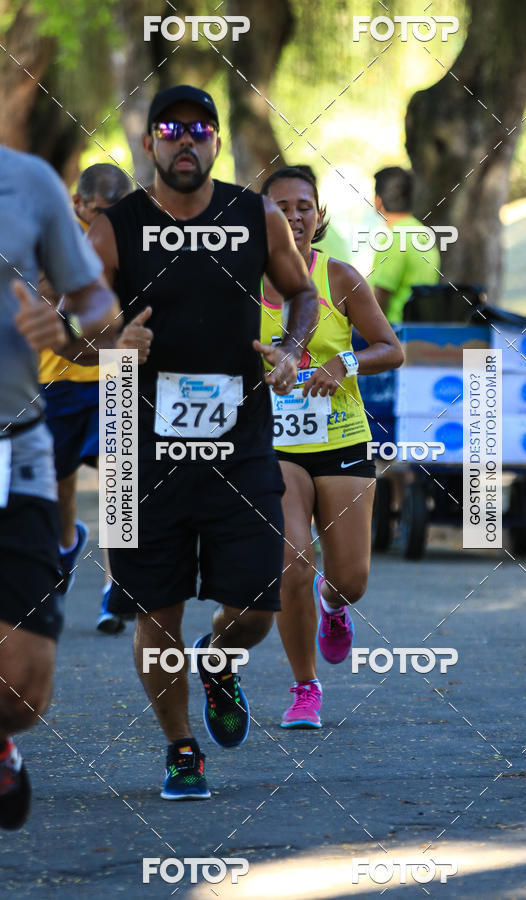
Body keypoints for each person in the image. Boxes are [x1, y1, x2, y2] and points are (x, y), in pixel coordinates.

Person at [87, 85, 319, 800]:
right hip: (136, 445)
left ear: (218, 142)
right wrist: (112, 339)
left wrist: (289, 345)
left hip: (239, 435)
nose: (185, 141)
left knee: (257, 600)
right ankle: (181, 750)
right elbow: (78, 314)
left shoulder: (254, 215)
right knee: (155, 604)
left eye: (200, 130)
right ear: (150, 143)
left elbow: (302, 293)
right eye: (170, 129)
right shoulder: (112, 225)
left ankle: (217, 660)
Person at [0, 145, 120, 829]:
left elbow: (101, 303)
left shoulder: (29, 181)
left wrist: (74, 326)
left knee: (21, 691)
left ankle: (117, 574)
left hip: (18, 438)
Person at [259, 167, 403, 728]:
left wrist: (343, 362)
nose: (294, 216)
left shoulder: (339, 277)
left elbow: (391, 349)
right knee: (293, 561)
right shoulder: (238, 283)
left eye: (304, 206)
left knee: (351, 579)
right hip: (274, 447)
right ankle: (304, 686)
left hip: (342, 438)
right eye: (281, 206)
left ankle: (333, 603)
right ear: (262, 217)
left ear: (318, 216)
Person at [38, 163, 133, 635]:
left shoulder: (139, 237)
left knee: (120, 477)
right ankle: (66, 543)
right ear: (77, 204)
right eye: (99, 210)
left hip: (118, 371)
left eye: (116, 211)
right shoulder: (53, 240)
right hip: (57, 375)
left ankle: (117, 590)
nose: (107, 219)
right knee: (60, 481)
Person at [370, 167, 440, 323]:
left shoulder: (394, 238)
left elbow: (379, 300)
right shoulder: (424, 234)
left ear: (378, 200)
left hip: (394, 335)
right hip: (418, 332)